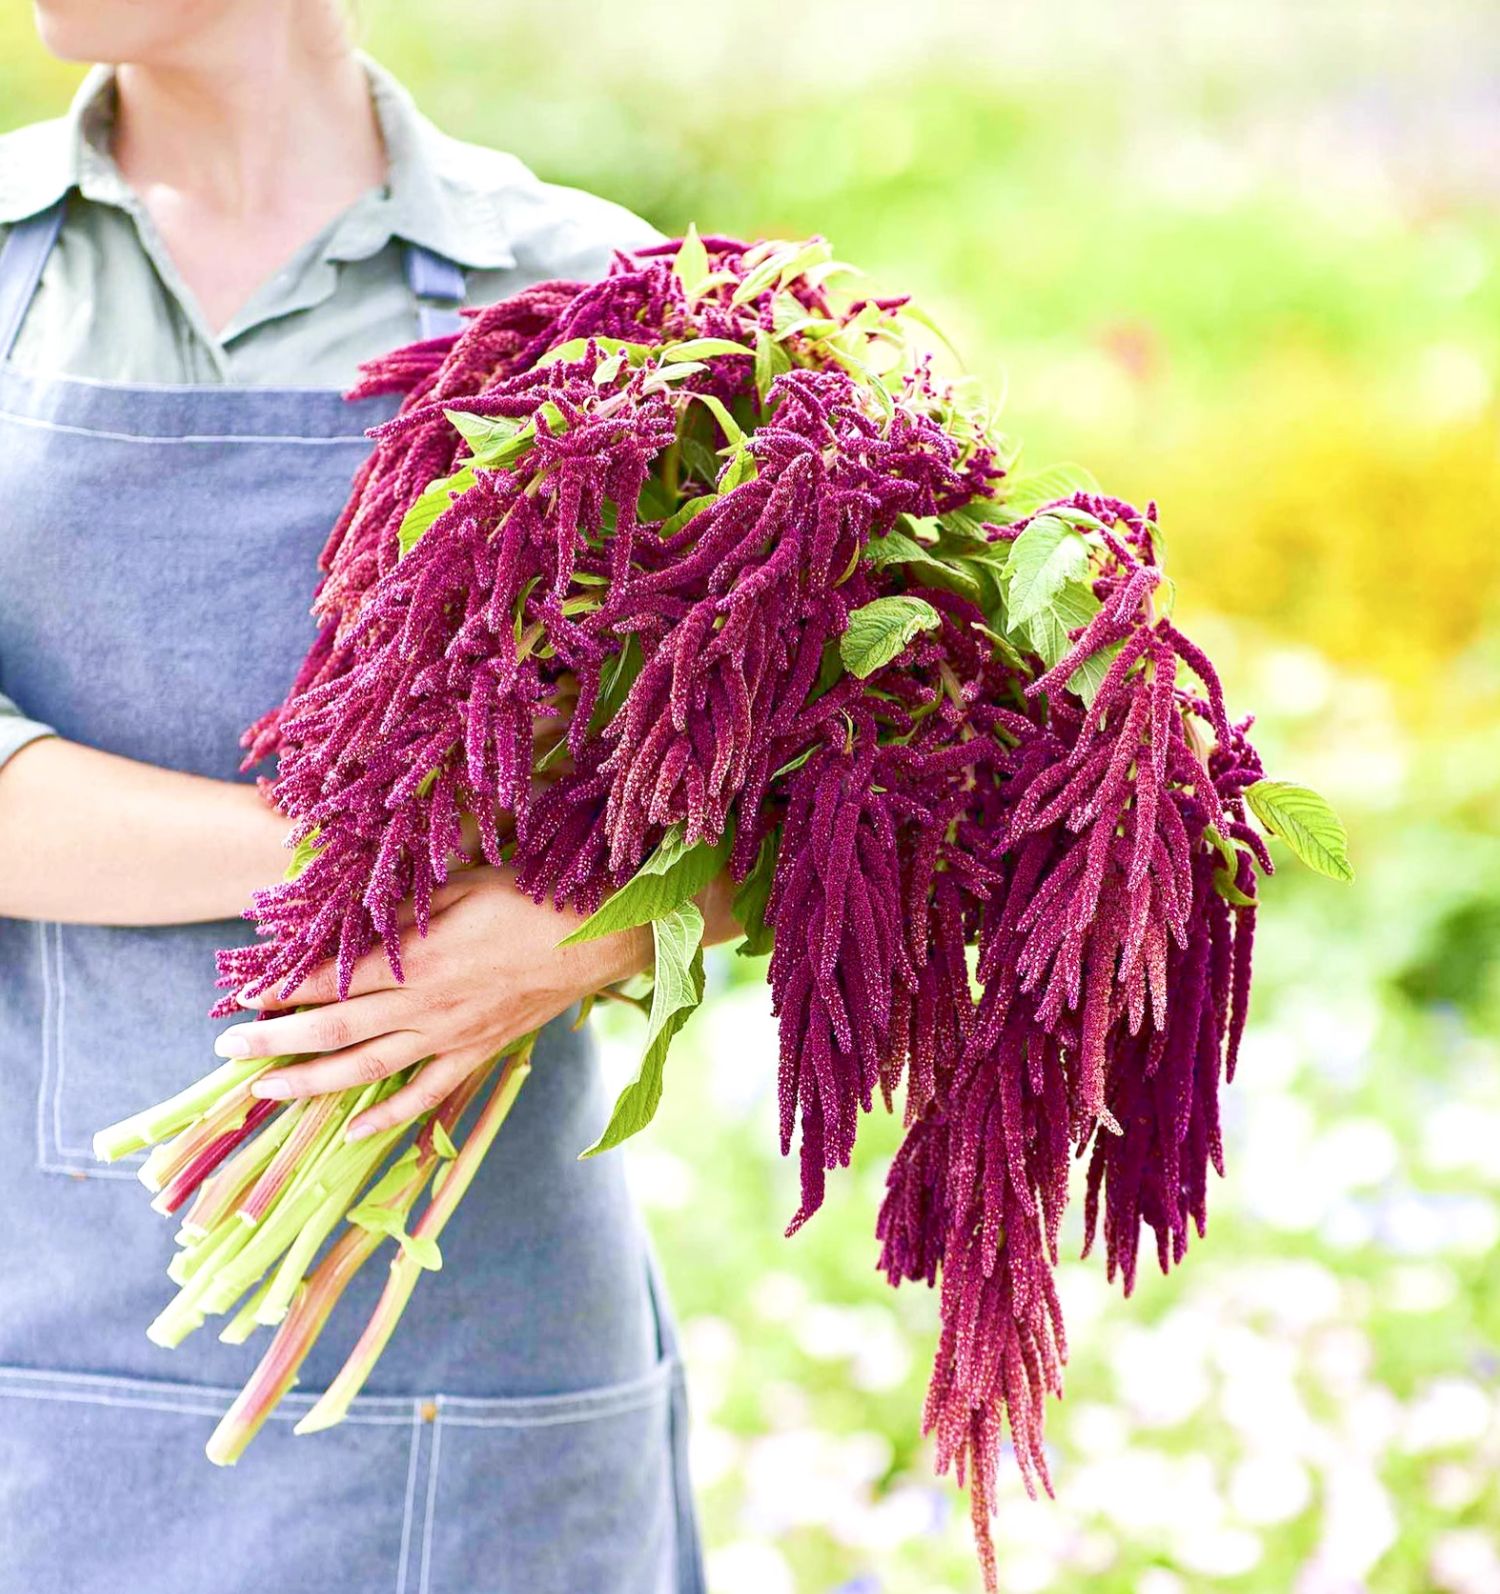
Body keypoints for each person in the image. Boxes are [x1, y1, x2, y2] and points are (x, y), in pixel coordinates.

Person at [0, 4, 711, 1590]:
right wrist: (376, 868)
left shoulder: (592, 293)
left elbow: (789, 788)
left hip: (483, 1346)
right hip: (39, 1333)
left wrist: (585, 932)